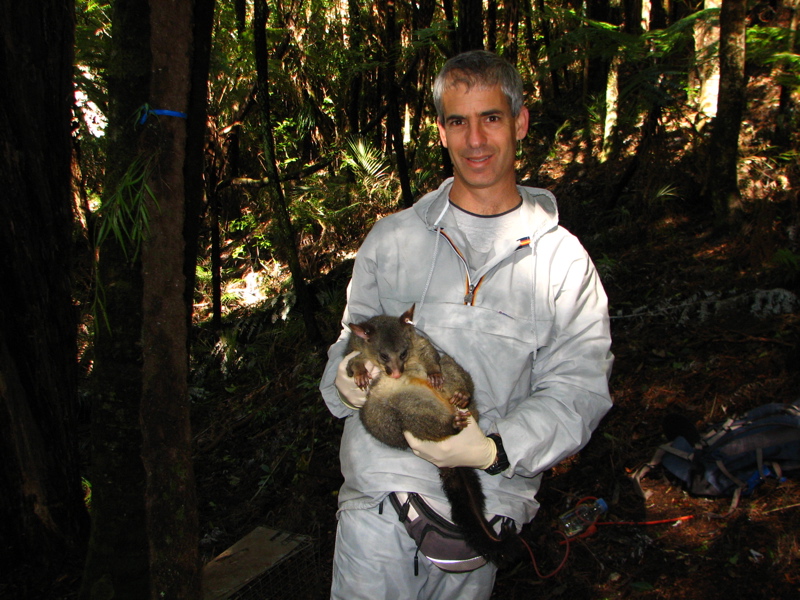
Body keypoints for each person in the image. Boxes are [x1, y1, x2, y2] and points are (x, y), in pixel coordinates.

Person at [319, 50, 613, 599]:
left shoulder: (563, 263)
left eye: (491, 118)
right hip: (379, 503)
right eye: (458, 121)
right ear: (441, 132)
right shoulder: (392, 239)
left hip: (484, 506)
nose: (475, 139)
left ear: (520, 122)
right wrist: (345, 374)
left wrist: (494, 449)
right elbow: (346, 349)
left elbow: (580, 391)